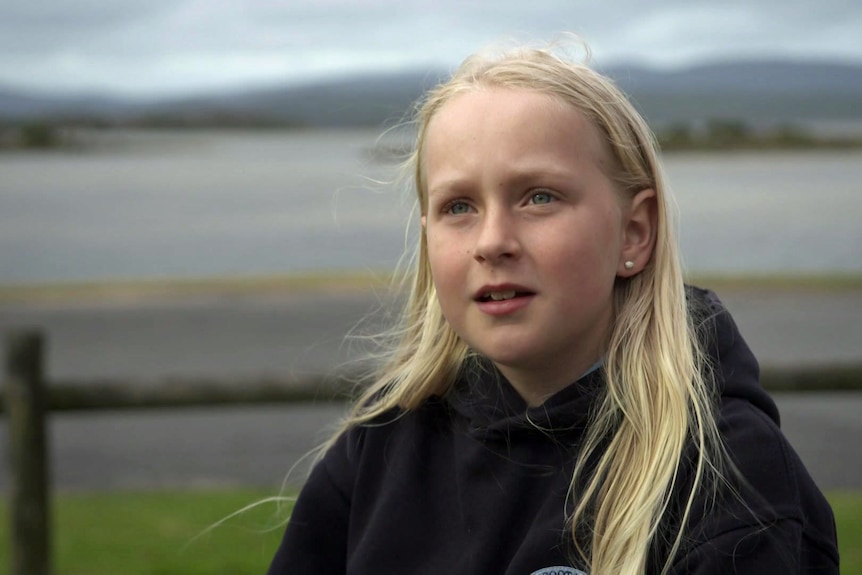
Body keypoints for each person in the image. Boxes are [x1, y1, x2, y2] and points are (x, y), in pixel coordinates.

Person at [267, 42, 839, 574]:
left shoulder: (725, 478)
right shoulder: (382, 444)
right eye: (458, 206)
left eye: (539, 197)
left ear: (634, 233)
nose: (492, 241)